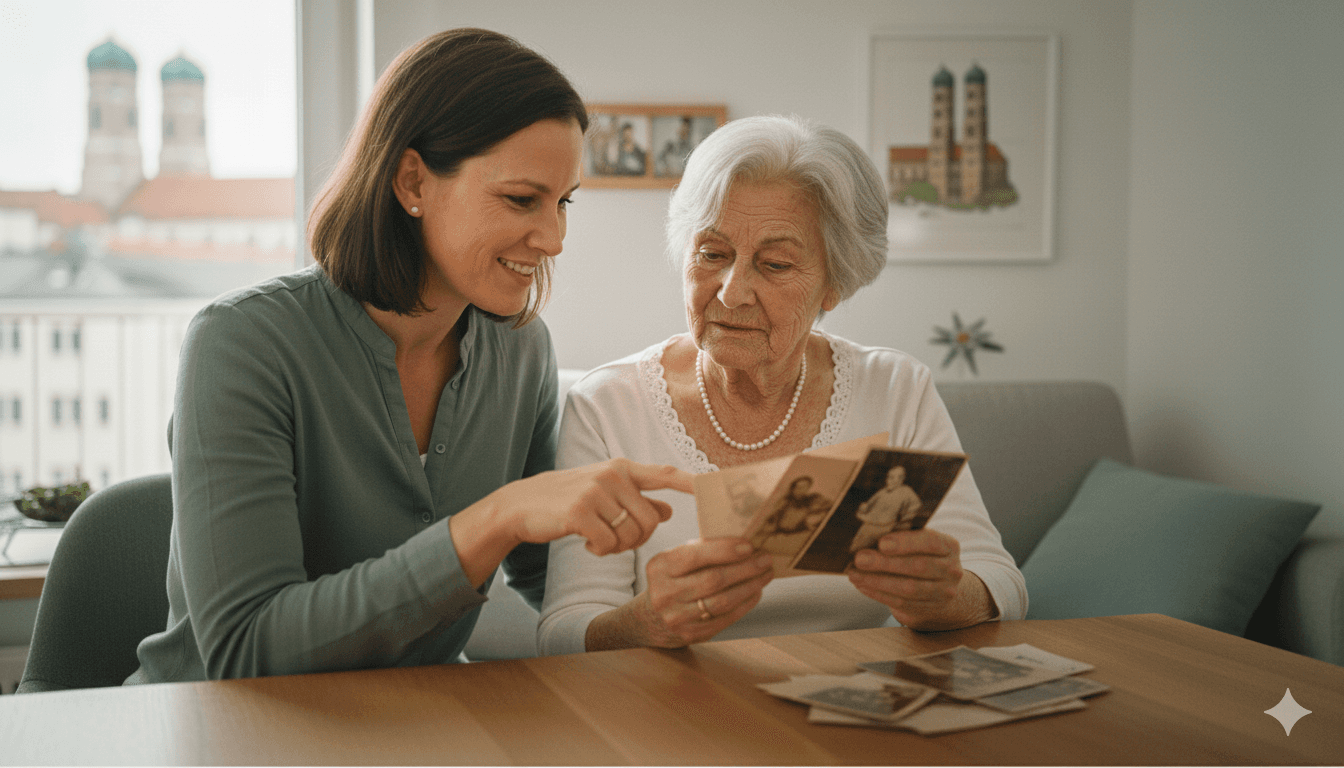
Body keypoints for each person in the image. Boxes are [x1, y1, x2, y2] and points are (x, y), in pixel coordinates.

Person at [125, 28, 691, 685]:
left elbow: (550, 581)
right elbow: (248, 650)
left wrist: (646, 617)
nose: (555, 238)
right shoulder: (242, 344)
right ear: (412, 180)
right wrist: (495, 518)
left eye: (563, 202)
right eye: (521, 199)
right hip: (220, 729)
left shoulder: (521, 350)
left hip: (414, 724)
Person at [538, 115, 1025, 655]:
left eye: (774, 264)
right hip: (672, 710)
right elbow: (564, 630)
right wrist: (649, 621)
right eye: (712, 254)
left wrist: (945, 597)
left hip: (847, 703)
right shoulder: (608, 406)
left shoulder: (894, 388)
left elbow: (999, 580)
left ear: (834, 284)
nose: (731, 292)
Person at [849, 465, 923, 555]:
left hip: (886, 526)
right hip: (870, 523)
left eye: (893, 477)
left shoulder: (906, 491)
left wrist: (904, 518)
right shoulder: (883, 491)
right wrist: (863, 508)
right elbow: (869, 504)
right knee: (856, 546)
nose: (889, 480)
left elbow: (916, 505)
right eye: (888, 477)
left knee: (877, 550)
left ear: (902, 479)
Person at [749, 476, 830, 554]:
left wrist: (819, 516)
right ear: (793, 488)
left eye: (805, 487)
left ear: (808, 487)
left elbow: (829, 506)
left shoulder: (813, 498)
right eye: (798, 487)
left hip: (801, 529)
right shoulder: (785, 501)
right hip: (782, 531)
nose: (801, 490)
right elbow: (772, 521)